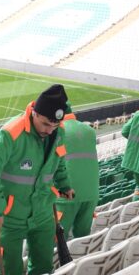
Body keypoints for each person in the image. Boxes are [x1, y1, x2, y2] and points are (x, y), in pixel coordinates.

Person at [0, 84, 75, 275]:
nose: (50, 130)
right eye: (45, 124)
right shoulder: (11, 134)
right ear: (35, 112)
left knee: (43, 270)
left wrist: (64, 185)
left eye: (54, 125)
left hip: (43, 212)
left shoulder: (58, 132)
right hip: (11, 217)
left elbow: (59, 162)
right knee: (10, 273)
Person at [55, 102, 99, 239]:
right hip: (91, 194)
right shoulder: (90, 131)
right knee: (83, 240)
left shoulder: (56, 131)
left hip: (66, 196)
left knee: (56, 241)